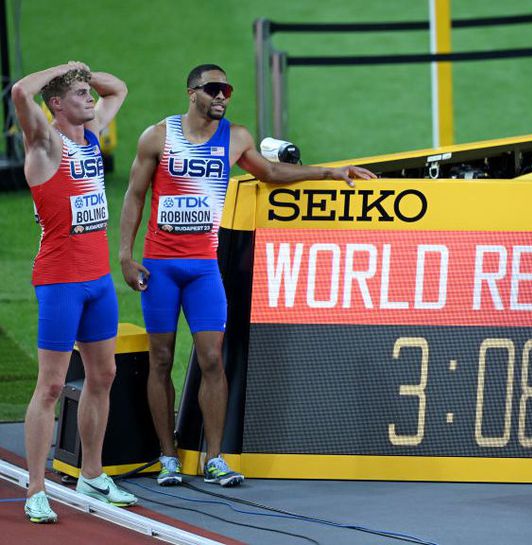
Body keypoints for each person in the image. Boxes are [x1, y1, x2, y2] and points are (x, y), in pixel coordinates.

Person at [118, 64, 375, 488]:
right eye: (214, 89)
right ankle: (167, 456)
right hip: (161, 266)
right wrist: (126, 257)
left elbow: (270, 174)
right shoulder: (158, 137)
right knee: (160, 360)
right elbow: (135, 194)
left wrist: (330, 172)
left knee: (213, 360)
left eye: (228, 90)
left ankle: (214, 458)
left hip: (203, 268)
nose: (222, 96)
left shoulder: (236, 138)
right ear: (192, 92)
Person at [12, 62, 137, 523]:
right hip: (60, 281)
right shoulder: (45, 144)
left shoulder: (91, 133)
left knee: (103, 377)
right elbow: (21, 91)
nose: (91, 98)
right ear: (56, 106)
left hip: (97, 281)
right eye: (80, 94)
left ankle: (91, 473)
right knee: (50, 385)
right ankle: (36, 488)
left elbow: (118, 85)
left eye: (90, 94)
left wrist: (83, 73)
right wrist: (66, 70)